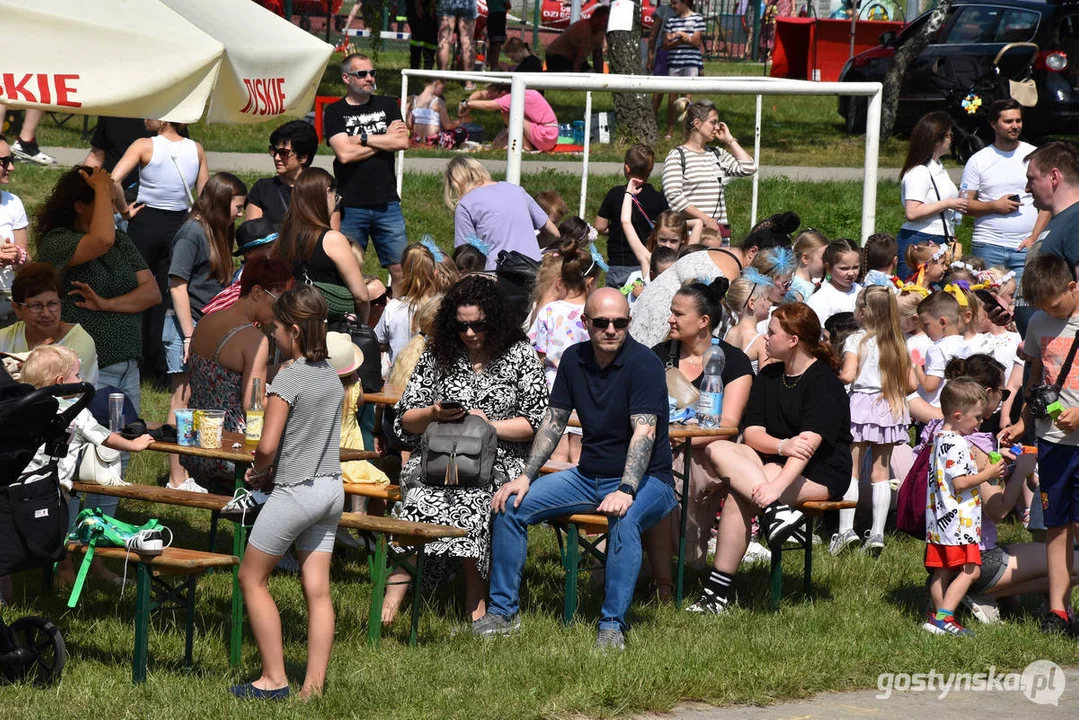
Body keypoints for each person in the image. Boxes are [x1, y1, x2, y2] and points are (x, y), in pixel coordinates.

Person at [474, 288, 677, 650]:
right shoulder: (572, 358)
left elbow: (643, 433)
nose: (612, 329)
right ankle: (503, 613)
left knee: (624, 519)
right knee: (510, 504)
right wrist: (525, 477)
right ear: (586, 323)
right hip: (587, 476)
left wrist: (626, 490)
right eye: (602, 322)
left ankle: (612, 626)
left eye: (620, 322)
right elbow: (553, 423)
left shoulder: (644, 363)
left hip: (650, 480)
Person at [381, 275, 548, 626]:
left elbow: (535, 421)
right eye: (462, 326)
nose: (470, 334)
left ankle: (476, 605)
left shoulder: (519, 354)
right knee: (417, 500)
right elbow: (405, 421)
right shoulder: (438, 354)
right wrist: (434, 414)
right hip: (439, 459)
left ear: (496, 319)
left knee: (474, 501)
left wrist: (486, 424)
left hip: (498, 460)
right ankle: (391, 604)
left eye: (479, 325)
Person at [691, 303, 851, 616]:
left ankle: (716, 594)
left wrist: (775, 487)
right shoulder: (769, 375)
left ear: (793, 340)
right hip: (768, 463)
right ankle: (776, 514)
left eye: (772, 332)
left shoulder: (824, 383)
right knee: (716, 449)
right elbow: (751, 433)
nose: (765, 337)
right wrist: (781, 447)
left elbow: (806, 448)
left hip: (821, 472)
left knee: (741, 497)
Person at [232, 286, 345, 702]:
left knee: (251, 577)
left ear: (294, 330)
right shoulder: (331, 375)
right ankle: (312, 689)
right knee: (317, 590)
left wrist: (259, 471)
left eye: (277, 328)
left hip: (296, 492)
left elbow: (266, 445)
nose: (273, 335)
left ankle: (273, 678)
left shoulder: (289, 376)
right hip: (331, 489)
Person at [648, 281, 753, 594]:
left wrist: (682, 437)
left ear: (704, 321)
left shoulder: (733, 361)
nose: (670, 319)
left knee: (683, 469)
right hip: (661, 444)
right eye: (671, 312)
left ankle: (672, 568)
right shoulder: (656, 357)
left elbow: (729, 424)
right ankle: (659, 574)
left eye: (678, 314)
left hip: (710, 449)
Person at [34, 166, 161, 416]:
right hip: (87, 369)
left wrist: (107, 304)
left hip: (128, 367)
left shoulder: (120, 241)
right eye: (106, 202)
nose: (114, 209)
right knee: (87, 448)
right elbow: (101, 240)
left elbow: (152, 293)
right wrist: (103, 186)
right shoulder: (59, 241)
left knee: (123, 448)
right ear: (80, 206)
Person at [1002, 253, 1079, 635]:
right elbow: (1035, 375)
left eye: (1055, 304)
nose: (1051, 312)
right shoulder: (1037, 323)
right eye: (1043, 308)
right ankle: (1058, 611)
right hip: (1053, 442)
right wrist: (1021, 421)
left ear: (1072, 286)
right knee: (1057, 526)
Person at [163, 172, 248, 492]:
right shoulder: (191, 233)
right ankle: (176, 477)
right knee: (182, 400)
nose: (240, 213)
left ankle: (193, 468)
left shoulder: (218, 230)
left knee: (197, 400)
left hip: (207, 326)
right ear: (222, 201)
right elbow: (177, 285)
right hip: (186, 326)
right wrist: (188, 335)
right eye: (237, 207)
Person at [110, 119, 209, 386]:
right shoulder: (196, 148)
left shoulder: (144, 145)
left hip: (146, 221)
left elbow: (113, 180)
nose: (145, 118)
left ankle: (137, 362)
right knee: (168, 297)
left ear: (165, 118)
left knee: (138, 291)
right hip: (180, 224)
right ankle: (163, 367)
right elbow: (205, 195)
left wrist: (123, 211)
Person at [182, 258, 293, 491]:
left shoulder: (206, 321)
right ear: (257, 293)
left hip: (195, 439)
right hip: (232, 448)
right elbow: (252, 405)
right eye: (279, 301)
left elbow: (225, 372)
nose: (281, 311)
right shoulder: (254, 340)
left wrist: (279, 370)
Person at [630, 211, 797, 348]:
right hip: (655, 350)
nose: (767, 281)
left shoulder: (715, 255)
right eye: (771, 269)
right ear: (753, 252)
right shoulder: (723, 278)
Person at [833, 286, 914, 556]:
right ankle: (877, 533)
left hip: (860, 405)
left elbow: (847, 375)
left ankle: (846, 529)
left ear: (865, 311)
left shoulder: (856, 340)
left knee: (851, 469)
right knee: (881, 473)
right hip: (889, 405)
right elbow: (912, 384)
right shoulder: (899, 342)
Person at [923, 379, 1007, 636]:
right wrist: (988, 473)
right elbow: (960, 483)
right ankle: (944, 618)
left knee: (942, 571)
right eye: (977, 418)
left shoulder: (939, 438)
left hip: (938, 522)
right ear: (958, 416)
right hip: (959, 523)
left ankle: (937, 619)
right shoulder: (959, 443)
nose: (980, 423)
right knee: (971, 571)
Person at [325, 53, 411, 289]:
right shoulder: (335, 112)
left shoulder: (387, 105)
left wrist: (362, 138)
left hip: (387, 203)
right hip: (351, 204)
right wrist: (385, 140)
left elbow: (402, 142)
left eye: (372, 73)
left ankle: (398, 318)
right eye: (361, 74)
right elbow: (344, 154)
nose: (369, 78)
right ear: (346, 78)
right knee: (346, 266)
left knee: (401, 268)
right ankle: (351, 318)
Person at [527, 238, 600, 464]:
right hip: (586, 387)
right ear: (590, 281)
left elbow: (537, 352)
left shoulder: (548, 311)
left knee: (554, 453)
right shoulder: (594, 314)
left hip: (553, 388)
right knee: (580, 454)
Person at [961, 100, 1049, 286]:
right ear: (994, 124)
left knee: (1025, 305)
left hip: (1025, 246)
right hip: (988, 245)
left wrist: (1034, 238)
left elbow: (1048, 202)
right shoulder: (979, 160)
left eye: (1018, 120)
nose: (1015, 126)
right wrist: (994, 206)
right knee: (989, 303)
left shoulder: (1034, 155)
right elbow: (964, 204)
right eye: (1008, 121)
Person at [272, 168, 370, 322]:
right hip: (329, 331)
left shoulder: (283, 239)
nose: (336, 203)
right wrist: (362, 325)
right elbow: (361, 296)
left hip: (293, 325)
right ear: (327, 193)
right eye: (336, 198)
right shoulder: (333, 239)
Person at [662, 100, 756, 239]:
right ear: (697, 123)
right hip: (691, 236)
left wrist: (729, 140)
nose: (717, 127)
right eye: (713, 122)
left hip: (718, 236)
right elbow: (674, 197)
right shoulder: (677, 156)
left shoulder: (717, 154)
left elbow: (749, 168)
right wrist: (705, 220)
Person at [444, 156, 558, 270]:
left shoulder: (465, 204)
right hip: (533, 271)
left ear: (455, 183)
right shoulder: (516, 190)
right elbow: (553, 234)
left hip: (497, 275)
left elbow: (466, 256)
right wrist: (525, 249)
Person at [0, 263, 99, 386]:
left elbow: (72, 395)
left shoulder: (79, 342)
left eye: (52, 304)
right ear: (17, 308)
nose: (46, 313)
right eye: (36, 306)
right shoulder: (3, 339)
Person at [896, 112, 965, 279]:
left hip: (943, 237)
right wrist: (948, 203)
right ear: (936, 140)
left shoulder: (939, 168)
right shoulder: (919, 172)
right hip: (921, 239)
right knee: (915, 293)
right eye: (949, 135)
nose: (952, 139)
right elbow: (912, 212)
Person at [594, 144, 670, 289]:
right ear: (651, 169)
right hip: (645, 264)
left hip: (618, 265)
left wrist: (616, 230)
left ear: (627, 168)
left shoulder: (615, 194)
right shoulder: (658, 198)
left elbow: (600, 226)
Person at [375, 242, 450, 365]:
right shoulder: (444, 308)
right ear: (435, 273)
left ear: (404, 274)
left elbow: (379, 342)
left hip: (398, 377)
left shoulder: (392, 308)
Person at [246, 120, 320, 227]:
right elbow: (252, 234)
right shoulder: (263, 188)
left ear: (304, 157)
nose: (276, 158)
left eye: (283, 153)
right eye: (274, 151)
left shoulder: (320, 190)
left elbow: (331, 237)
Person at [459, 86, 559, 152]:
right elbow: (482, 93)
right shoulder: (528, 92)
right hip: (550, 135)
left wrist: (466, 103)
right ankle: (527, 144)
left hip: (545, 136)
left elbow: (488, 105)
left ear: (502, 93)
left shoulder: (513, 97)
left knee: (506, 113)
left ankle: (525, 146)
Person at [914, 291, 968, 408]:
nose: (924, 330)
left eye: (926, 325)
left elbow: (930, 386)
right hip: (959, 408)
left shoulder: (937, 349)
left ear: (942, 322)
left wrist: (918, 369)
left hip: (936, 409)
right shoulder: (965, 345)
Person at [660, 0, 706, 137]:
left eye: (675, 3)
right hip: (674, 62)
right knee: (672, 97)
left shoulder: (697, 19)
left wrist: (678, 36)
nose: (672, 6)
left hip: (691, 62)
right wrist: (681, 37)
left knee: (687, 98)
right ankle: (669, 131)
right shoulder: (671, 21)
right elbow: (665, 44)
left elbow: (696, 42)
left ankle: (687, 131)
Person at [81, 117, 153, 204]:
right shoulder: (112, 113)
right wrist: (82, 186)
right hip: (107, 195)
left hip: (144, 199)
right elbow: (96, 155)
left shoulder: (161, 116)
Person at [0, 133, 30, 324]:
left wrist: (18, 256)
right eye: (4, 161)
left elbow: (26, 265)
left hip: (6, 304)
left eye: (11, 160)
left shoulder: (13, 203)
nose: (11, 167)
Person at [806, 238, 862, 327]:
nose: (851, 273)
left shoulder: (862, 292)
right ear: (828, 268)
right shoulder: (820, 300)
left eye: (855, 267)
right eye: (844, 268)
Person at [544, 6, 609, 72]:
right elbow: (578, 57)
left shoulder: (600, 32)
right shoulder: (581, 28)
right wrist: (576, 77)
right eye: (605, 21)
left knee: (591, 74)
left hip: (574, 59)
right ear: (596, 18)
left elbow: (598, 57)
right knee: (568, 77)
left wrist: (600, 76)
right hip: (556, 57)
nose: (606, 25)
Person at [405, 78, 463, 146]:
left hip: (417, 139)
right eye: (442, 88)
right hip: (434, 140)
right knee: (461, 132)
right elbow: (447, 125)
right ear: (437, 82)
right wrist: (460, 121)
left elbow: (407, 122)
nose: (442, 92)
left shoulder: (412, 100)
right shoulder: (438, 101)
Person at [436, 0, 478, 79]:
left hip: (448, 3)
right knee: (467, 43)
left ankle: (441, 78)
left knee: (444, 41)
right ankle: (468, 81)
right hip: (468, 4)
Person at [789, 229, 828, 303]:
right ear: (806, 258)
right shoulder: (798, 289)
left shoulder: (805, 285)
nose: (827, 262)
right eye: (824, 258)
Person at [405, 0, 438, 70]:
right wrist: (417, 3)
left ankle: (428, 67)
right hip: (415, 6)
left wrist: (432, 5)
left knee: (431, 37)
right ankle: (414, 66)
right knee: (417, 36)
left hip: (430, 6)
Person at [485, 0, 509, 70]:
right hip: (498, 16)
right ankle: (494, 66)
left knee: (492, 42)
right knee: (497, 42)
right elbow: (508, 5)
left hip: (491, 15)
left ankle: (488, 63)